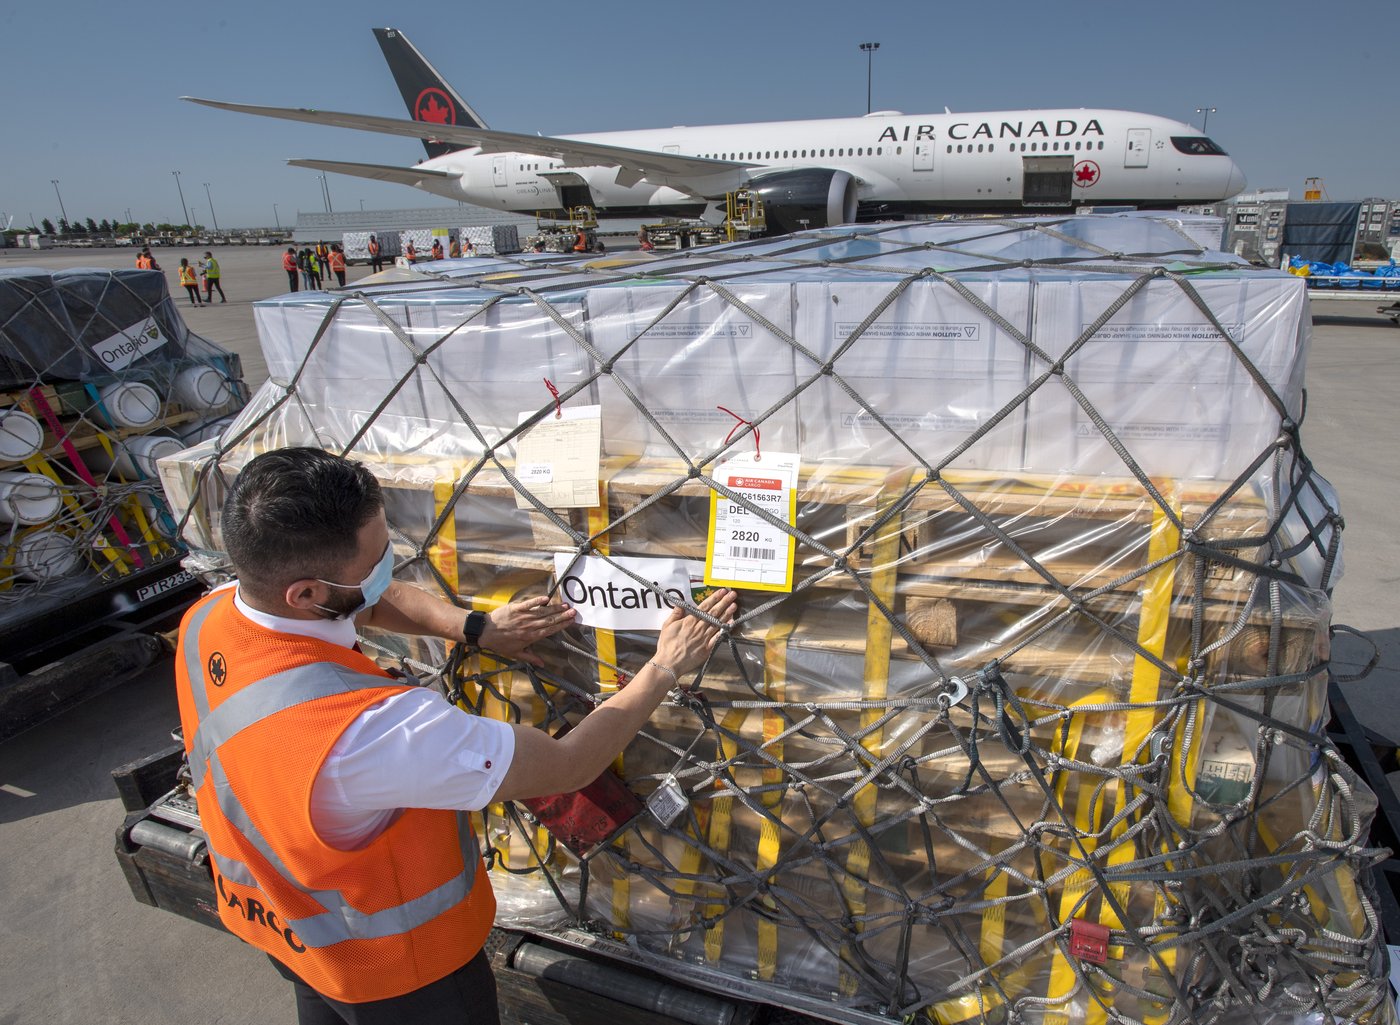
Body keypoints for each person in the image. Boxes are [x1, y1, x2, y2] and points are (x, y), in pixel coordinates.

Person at [173, 447, 735, 1025]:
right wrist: (665, 666)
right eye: (374, 562)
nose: (388, 565)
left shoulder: (213, 617)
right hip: (398, 974)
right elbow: (569, 765)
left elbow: (362, 605)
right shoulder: (378, 733)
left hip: (281, 923)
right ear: (307, 593)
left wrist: (476, 629)